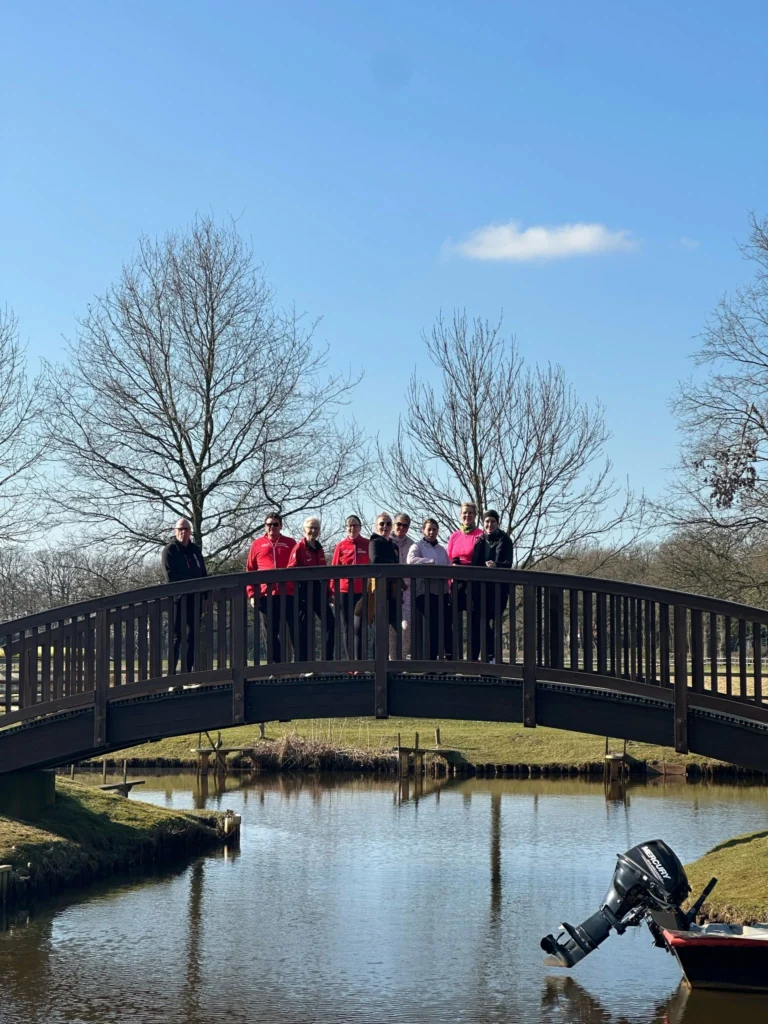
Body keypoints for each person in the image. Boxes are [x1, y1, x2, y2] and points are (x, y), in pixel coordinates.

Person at [245, 513, 296, 662]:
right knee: (270, 632)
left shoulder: (290, 543)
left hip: (288, 593)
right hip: (265, 594)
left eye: (275, 524)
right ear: (265, 526)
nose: (272, 527)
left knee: (295, 629)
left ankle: (299, 665)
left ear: (281, 525)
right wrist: (252, 594)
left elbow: (297, 565)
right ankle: (276, 666)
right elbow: (250, 570)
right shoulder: (257, 544)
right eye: (269, 524)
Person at [161, 517, 207, 672]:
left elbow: (203, 574)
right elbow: (170, 576)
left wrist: (206, 596)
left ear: (190, 532)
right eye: (180, 529)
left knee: (192, 637)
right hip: (178, 600)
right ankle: (172, 676)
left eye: (186, 529)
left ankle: (187, 673)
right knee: (177, 637)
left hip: (195, 600)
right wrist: (191, 582)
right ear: (175, 531)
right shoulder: (170, 550)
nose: (183, 532)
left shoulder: (195, 550)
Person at [288, 517, 335, 661]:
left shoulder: (319, 549)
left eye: (316, 528)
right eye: (310, 527)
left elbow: (325, 573)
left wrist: (329, 593)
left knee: (330, 623)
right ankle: (305, 663)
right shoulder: (299, 547)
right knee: (305, 628)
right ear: (304, 529)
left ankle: (327, 661)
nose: (313, 530)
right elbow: (291, 569)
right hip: (303, 592)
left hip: (319, 591)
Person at [470, 510, 513, 661]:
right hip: (479, 590)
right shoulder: (480, 540)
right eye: (487, 521)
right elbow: (474, 564)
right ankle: (474, 659)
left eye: (492, 521)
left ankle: (492, 658)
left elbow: (508, 564)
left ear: (497, 523)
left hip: (497, 591)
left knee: (493, 623)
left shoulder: (505, 540)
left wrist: (496, 565)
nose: (489, 524)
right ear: (483, 523)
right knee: (477, 622)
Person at [407, 518, 452, 660]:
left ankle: (447, 657)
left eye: (434, 529)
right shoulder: (417, 546)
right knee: (431, 627)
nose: (432, 532)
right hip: (425, 593)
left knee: (445, 626)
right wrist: (430, 563)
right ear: (423, 530)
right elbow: (411, 561)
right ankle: (430, 659)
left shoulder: (441, 549)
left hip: (442, 592)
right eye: (429, 529)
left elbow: (448, 567)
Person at [445, 501, 483, 659]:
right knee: (448, 620)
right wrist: (449, 582)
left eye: (471, 513)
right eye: (465, 513)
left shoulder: (480, 535)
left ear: (475, 516)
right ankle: (450, 656)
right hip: (456, 583)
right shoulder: (454, 536)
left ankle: (473, 658)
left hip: (473, 583)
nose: (467, 515)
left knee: (474, 623)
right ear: (461, 515)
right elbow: (448, 558)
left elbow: (480, 559)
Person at [331, 515, 369, 660]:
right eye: (349, 525)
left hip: (362, 592)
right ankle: (350, 663)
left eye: (355, 525)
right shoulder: (340, 546)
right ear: (346, 528)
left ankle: (360, 662)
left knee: (359, 627)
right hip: (344, 592)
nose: (352, 528)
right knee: (347, 627)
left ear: (360, 527)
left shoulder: (367, 544)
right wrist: (332, 592)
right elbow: (334, 569)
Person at [365, 511, 401, 652]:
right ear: (376, 526)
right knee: (380, 629)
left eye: (388, 523)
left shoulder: (394, 546)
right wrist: (391, 563)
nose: (385, 526)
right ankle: (377, 665)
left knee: (396, 627)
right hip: (379, 591)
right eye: (381, 523)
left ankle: (394, 665)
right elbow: (375, 560)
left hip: (393, 592)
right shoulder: (374, 542)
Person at [391, 513, 415, 658]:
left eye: (405, 525)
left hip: (407, 588)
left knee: (406, 626)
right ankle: (391, 660)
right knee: (391, 627)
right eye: (398, 524)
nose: (401, 527)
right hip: (390, 588)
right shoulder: (387, 541)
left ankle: (403, 658)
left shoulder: (412, 544)